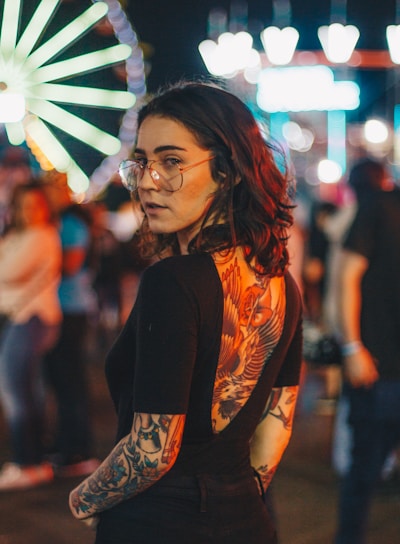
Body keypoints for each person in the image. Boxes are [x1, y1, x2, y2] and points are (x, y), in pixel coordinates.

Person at [68, 81, 303, 544]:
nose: (149, 181)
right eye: (143, 162)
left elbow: (153, 448)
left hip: (156, 520)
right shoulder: (283, 283)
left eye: (172, 162)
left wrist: (84, 500)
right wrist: (232, 498)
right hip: (246, 518)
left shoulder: (172, 281)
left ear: (228, 170)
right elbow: (277, 424)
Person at [335, 158, 400, 544]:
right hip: (379, 369)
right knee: (363, 475)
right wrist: (352, 346)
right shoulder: (381, 205)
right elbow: (346, 277)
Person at [0, 182, 62, 490]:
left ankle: (27, 462)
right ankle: (35, 461)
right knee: (29, 392)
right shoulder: (20, 235)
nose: (29, 212)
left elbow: (7, 271)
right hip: (25, 318)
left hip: (31, 318)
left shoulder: (40, 236)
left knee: (14, 391)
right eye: (24, 206)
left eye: (35, 205)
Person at [42, 171, 100, 477]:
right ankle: (67, 444)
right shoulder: (61, 222)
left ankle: (78, 449)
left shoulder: (71, 223)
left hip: (71, 309)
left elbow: (72, 264)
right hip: (59, 308)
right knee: (59, 380)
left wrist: (38, 258)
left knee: (70, 380)